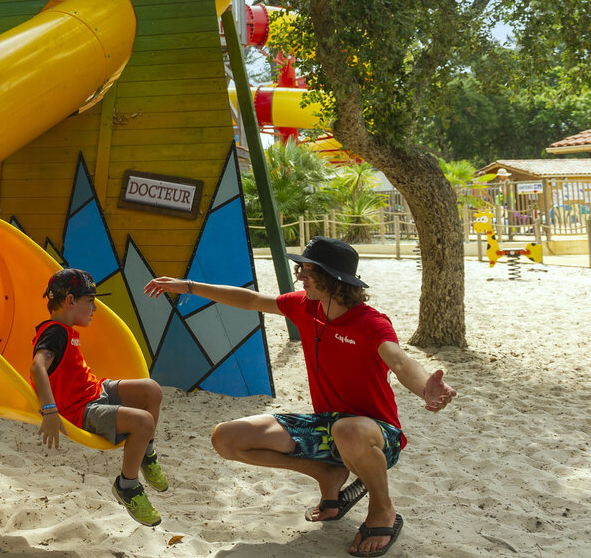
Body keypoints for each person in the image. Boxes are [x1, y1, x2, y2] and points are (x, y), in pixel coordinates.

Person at [144, 237, 456, 557]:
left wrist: (424, 388)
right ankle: (326, 473)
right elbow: (251, 300)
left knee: (346, 429)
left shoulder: (369, 321)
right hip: (327, 428)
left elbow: (400, 361)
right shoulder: (304, 306)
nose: (300, 275)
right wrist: (189, 286)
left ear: (335, 278)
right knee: (226, 438)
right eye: (300, 268)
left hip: (377, 435)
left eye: (308, 269)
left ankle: (383, 509)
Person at [30, 267, 170, 527]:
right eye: (90, 302)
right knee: (143, 422)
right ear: (70, 301)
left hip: (96, 391)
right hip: (80, 409)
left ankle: (146, 454)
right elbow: (38, 367)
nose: (94, 309)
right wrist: (50, 411)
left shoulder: (66, 329)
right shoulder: (55, 331)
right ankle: (127, 486)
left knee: (152, 390)